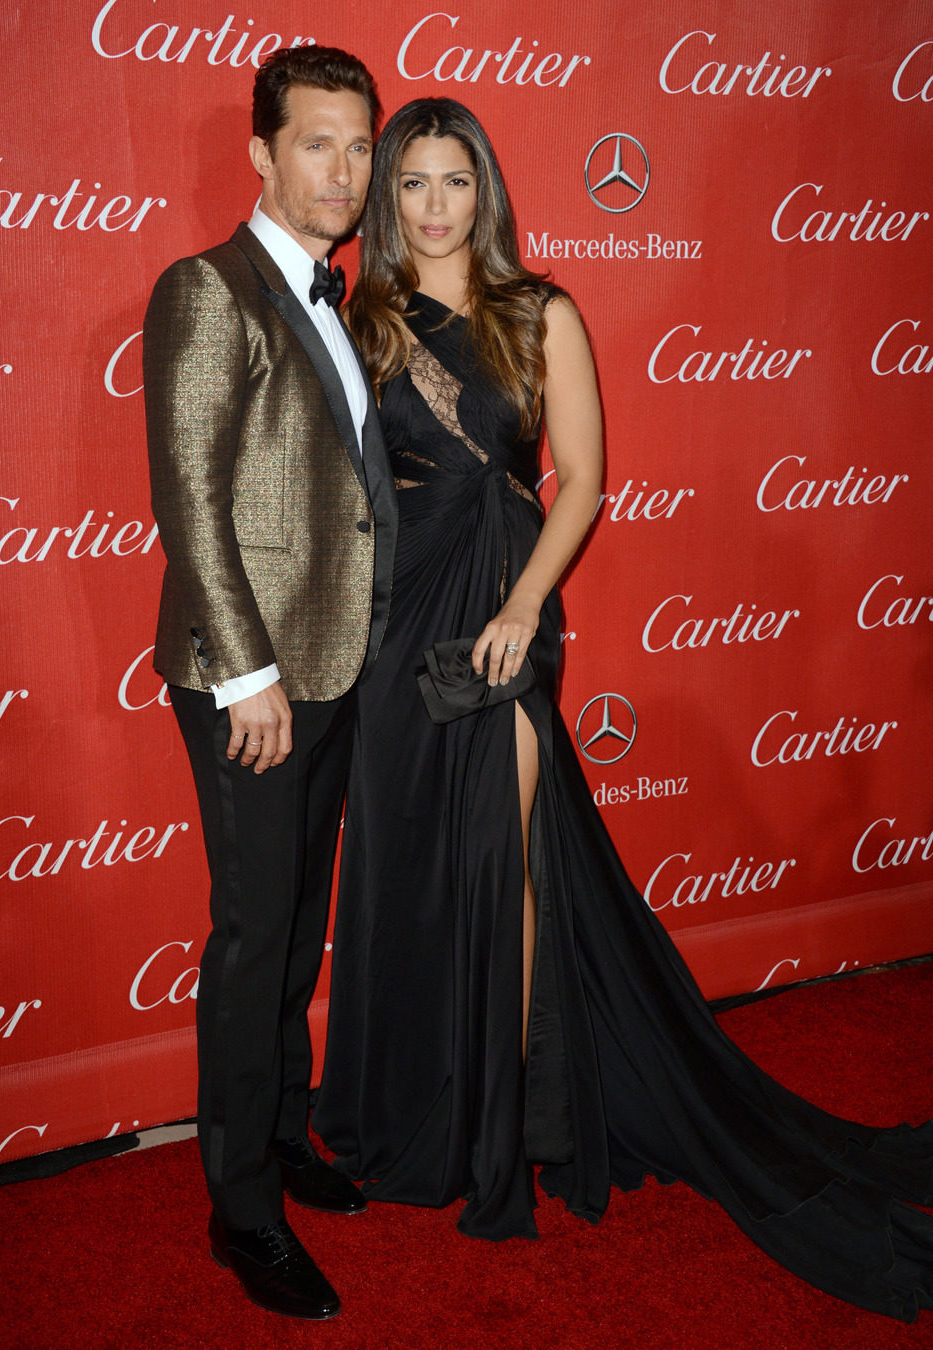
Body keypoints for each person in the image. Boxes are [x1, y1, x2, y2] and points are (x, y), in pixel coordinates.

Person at [311, 97, 933, 1322]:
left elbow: (584, 478)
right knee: (414, 875)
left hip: (502, 609)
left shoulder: (544, 312)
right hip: (394, 637)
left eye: (456, 182)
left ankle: (507, 1116)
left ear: (485, 190)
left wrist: (518, 614)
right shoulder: (359, 316)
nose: (436, 206)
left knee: (508, 861)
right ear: (389, 200)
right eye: (415, 185)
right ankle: (416, 1101)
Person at [142, 47, 397, 1320]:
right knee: (253, 941)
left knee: (299, 923)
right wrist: (247, 677)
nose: (344, 173)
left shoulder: (330, 295)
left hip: (330, 664)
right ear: (260, 152)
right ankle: (242, 1209)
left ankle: (284, 1137)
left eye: (360, 148)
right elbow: (190, 502)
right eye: (316, 144)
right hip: (250, 679)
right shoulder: (209, 288)